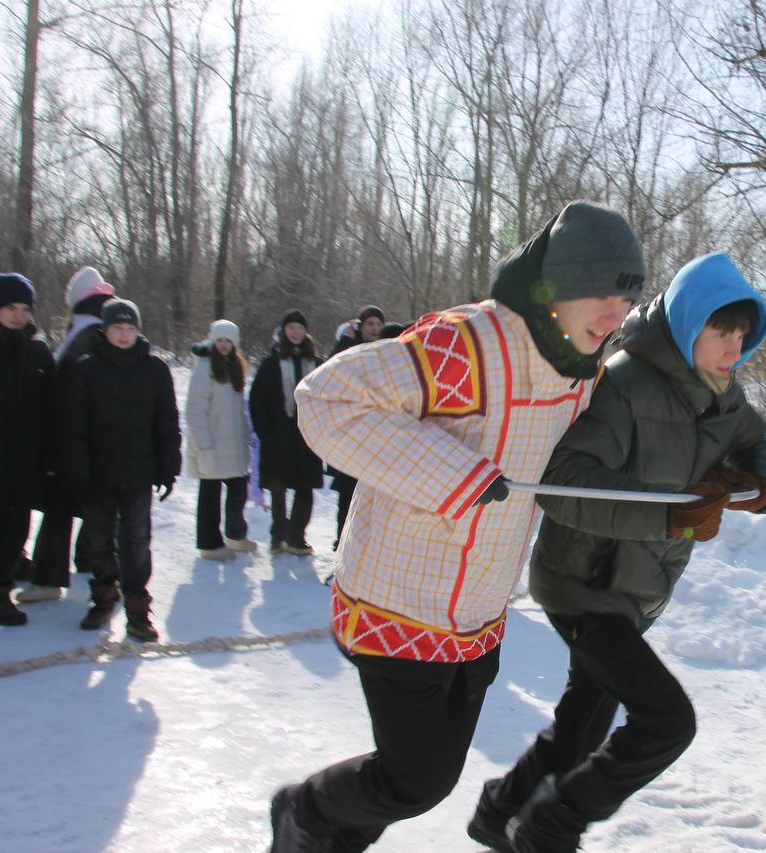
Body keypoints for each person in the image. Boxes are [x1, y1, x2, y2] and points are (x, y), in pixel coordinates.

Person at [270, 200, 645, 852]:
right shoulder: (466, 344)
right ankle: (300, 809)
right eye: (602, 293)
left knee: (413, 778)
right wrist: (453, 474)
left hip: (477, 613)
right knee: (418, 780)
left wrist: (697, 485)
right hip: (398, 599)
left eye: (628, 295)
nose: (616, 313)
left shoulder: (582, 365)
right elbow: (324, 401)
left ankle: (323, 840)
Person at [469, 252, 766, 853]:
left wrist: (758, 482)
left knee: (582, 726)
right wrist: (672, 510)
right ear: (690, 324)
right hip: (584, 584)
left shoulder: (721, 394)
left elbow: (755, 439)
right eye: (722, 330)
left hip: (635, 589)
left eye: (742, 332)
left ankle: (499, 811)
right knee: (667, 722)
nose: (733, 346)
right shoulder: (625, 381)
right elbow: (566, 482)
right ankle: (551, 827)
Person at [68, 298, 181, 643]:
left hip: (139, 472)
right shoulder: (86, 370)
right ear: (104, 330)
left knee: (136, 540)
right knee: (99, 538)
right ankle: (103, 596)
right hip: (99, 472)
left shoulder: (155, 370)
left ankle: (137, 608)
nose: (123, 334)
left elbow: (166, 422)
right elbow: (74, 426)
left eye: (129, 328)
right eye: (117, 328)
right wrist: (77, 470)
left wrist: (168, 467)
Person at [20, 267, 116, 603]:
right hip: (91, 440)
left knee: (62, 508)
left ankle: (50, 578)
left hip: (75, 440)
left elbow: (75, 393)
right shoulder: (97, 332)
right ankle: (89, 562)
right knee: (93, 507)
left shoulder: (85, 335)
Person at [0, 274, 58, 627]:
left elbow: (52, 410)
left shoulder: (37, 351)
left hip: (23, 461)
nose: (17, 315)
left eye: (24, 309)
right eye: (10, 307)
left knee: (14, 531)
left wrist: (50, 459)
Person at [249, 310, 325, 556]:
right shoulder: (271, 363)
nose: (296, 333)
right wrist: (265, 432)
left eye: (300, 329)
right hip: (278, 433)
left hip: (307, 434)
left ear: (306, 332)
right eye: (291, 328)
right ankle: (278, 534)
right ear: (283, 332)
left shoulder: (316, 363)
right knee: (278, 486)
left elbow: (327, 396)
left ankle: (297, 536)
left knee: (305, 487)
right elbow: (257, 400)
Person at [187, 319, 257, 560]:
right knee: (210, 495)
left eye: (229, 340)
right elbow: (195, 411)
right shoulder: (204, 368)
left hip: (233, 444)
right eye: (220, 340)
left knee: (238, 491)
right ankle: (209, 544)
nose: (224, 345)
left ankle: (236, 536)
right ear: (212, 341)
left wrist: (246, 436)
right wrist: (203, 447)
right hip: (211, 444)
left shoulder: (235, 366)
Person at [327, 305, 387, 550]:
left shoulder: (385, 351)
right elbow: (333, 372)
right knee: (347, 492)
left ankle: (365, 541)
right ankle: (342, 539)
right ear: (360, 327)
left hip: (375, 435)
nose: (373, 329)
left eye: (377, 325)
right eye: (369, 324)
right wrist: (345, 340)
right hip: (350, 433)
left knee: (370, 493)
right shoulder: (347, 351)